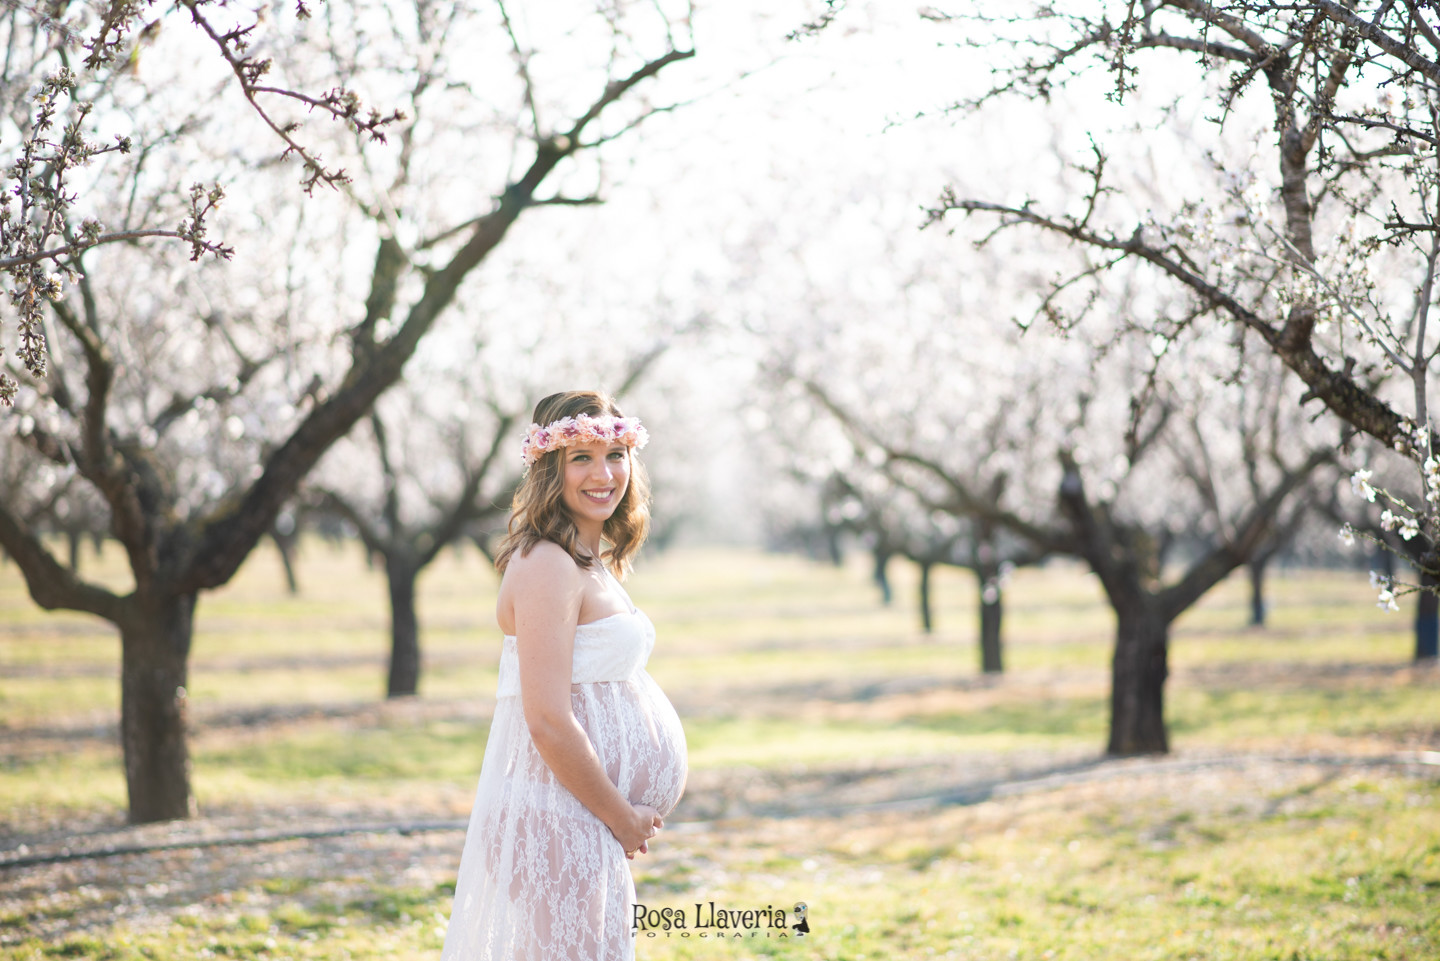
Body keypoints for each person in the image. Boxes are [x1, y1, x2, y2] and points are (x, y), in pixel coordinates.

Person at [441, 390, 688, 961]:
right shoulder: (547, 563)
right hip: (552, 813)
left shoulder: (585, 557)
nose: (603, 473)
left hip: (576, 813)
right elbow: (548, 719)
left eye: (615, 454)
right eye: (581, 457)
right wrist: (622, 816)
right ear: (550, 469)